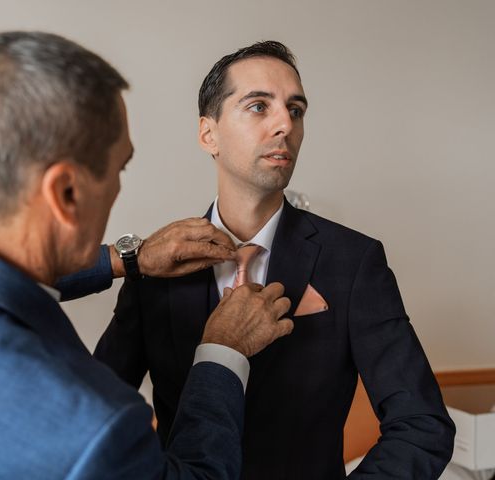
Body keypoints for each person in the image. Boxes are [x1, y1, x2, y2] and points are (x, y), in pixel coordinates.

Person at [0, 32, 295, 479]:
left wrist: (128, 259)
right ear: (66, 192)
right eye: (119, 168)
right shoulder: (92, 430)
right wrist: (223, 351)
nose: (286, 126)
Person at [88, 41, 456, 478]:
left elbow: (422, 424)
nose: (285, 124)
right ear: (209, 134)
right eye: (259, 106)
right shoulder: (154, 265)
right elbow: (96, 414)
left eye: (295, 110)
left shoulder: (354, 260)